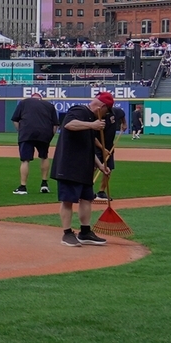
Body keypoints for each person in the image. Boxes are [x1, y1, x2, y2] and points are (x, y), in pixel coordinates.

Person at [50, 93, 113, 247]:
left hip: (84, 167)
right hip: (69, 165)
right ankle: (67, 233)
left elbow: (88, 146)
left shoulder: (92, 119)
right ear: (102, 107)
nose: (106, 115)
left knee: (87, 199)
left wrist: (100, 165)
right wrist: (93, 126)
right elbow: (69, 124)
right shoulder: (79, 110)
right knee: (68, 200)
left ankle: (85, 232)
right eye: (107, 111)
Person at [11, 91, 58, 195]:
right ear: (40, 98)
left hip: (27, 133)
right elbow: (55, 125)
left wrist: (21, 131)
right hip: (44, 133)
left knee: (25, 160)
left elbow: (15, 120)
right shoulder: (49, 105)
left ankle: (23, 187)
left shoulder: (24, 102)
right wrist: (50, 137)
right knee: (44, 157)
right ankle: (44, 184)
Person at [96, 99, 127, 201]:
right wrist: (102, 148)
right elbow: (92, 137)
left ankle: (101, 192)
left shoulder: (115, 111)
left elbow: (122, 114)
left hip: (109, 146)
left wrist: (124, 123)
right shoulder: (95, 117)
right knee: (92, 168)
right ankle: (86, 192)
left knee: (108, 169)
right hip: (96, 146)